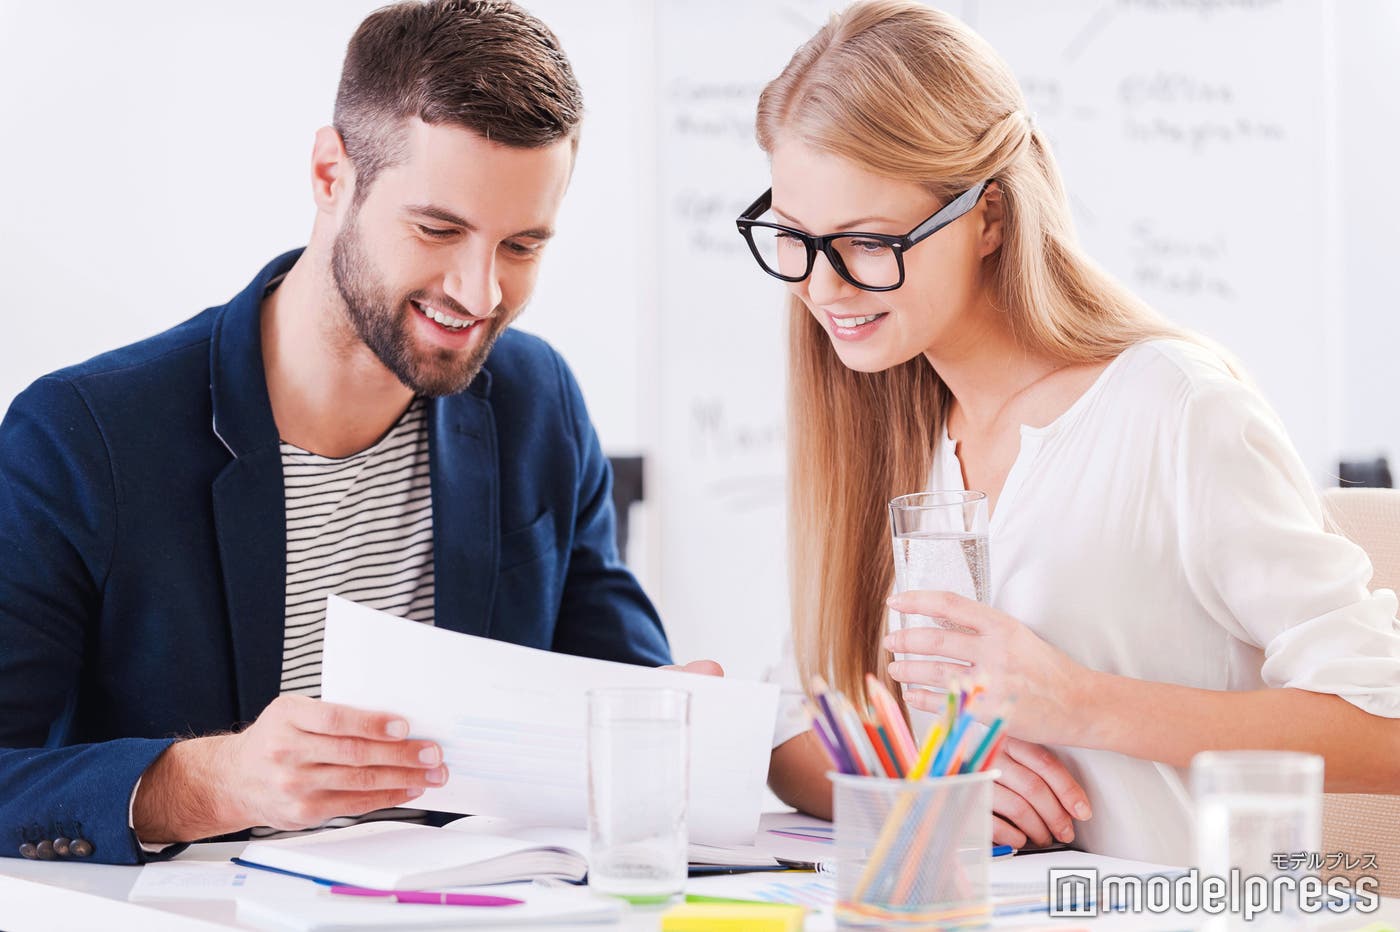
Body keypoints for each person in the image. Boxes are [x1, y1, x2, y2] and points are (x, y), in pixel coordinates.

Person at [0, 0, 703, 866]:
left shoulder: (535, 401)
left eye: (522, 246)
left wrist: (684, 725)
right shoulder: (83, 438)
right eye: (438, 229)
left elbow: (625, 700)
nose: (480, 294)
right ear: (332, 174)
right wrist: (208, 784)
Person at [746, 0, 1400, 864]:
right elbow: (793, 735)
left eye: (869, 242)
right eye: (794, 239)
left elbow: (1385, 730)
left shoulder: (1174, 412)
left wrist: (1082, 703)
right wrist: (925, 783)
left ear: (989, 218)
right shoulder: (888, 433)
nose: (824, 290)